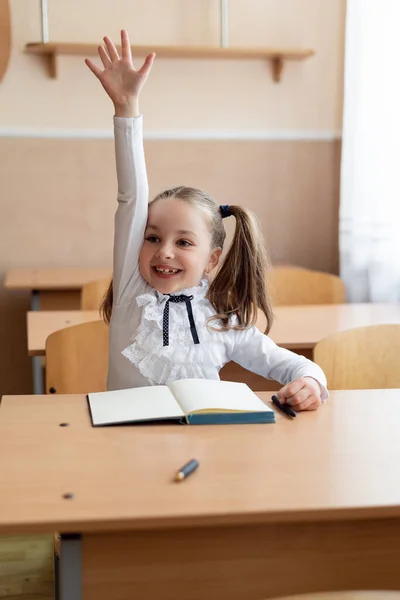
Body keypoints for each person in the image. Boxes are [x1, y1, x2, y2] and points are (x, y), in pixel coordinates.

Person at [85, 30, 328, 411]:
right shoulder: (133, 293)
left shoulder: (221, 321)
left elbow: (292, 363)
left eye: (183, 242)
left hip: (202, 448)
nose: (163, 252)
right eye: (152, 237)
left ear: (212, 259)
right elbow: (130, 196)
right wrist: (127, 108)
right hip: (124, 451)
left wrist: (310, 382)